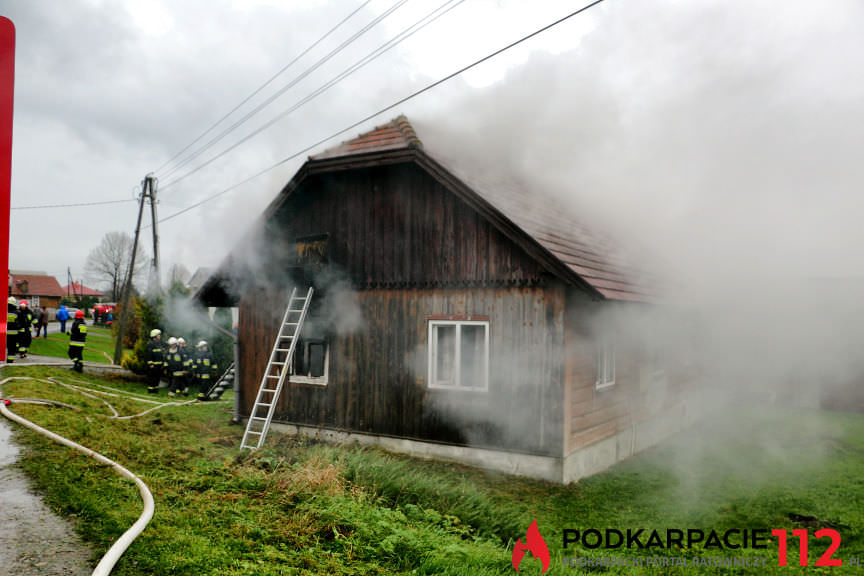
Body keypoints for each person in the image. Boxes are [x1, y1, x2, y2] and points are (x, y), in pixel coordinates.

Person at [145, 328, 164, 394]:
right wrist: (151, 364)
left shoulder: (158, 344)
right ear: (155, 336)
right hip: (153, 366)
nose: (160, 336)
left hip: (159, 366)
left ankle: (155, 390)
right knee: (152, 378)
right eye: (159, 335)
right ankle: (150, 390)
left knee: (157, 378)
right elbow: (149, 355)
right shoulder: (151, 344)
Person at [6, 296, 19, 363]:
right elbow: (19, 323)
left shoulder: (4, 312)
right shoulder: (16, 313)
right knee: (11, 348)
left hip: (5, 332)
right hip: (13, 333)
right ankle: (10, 360)